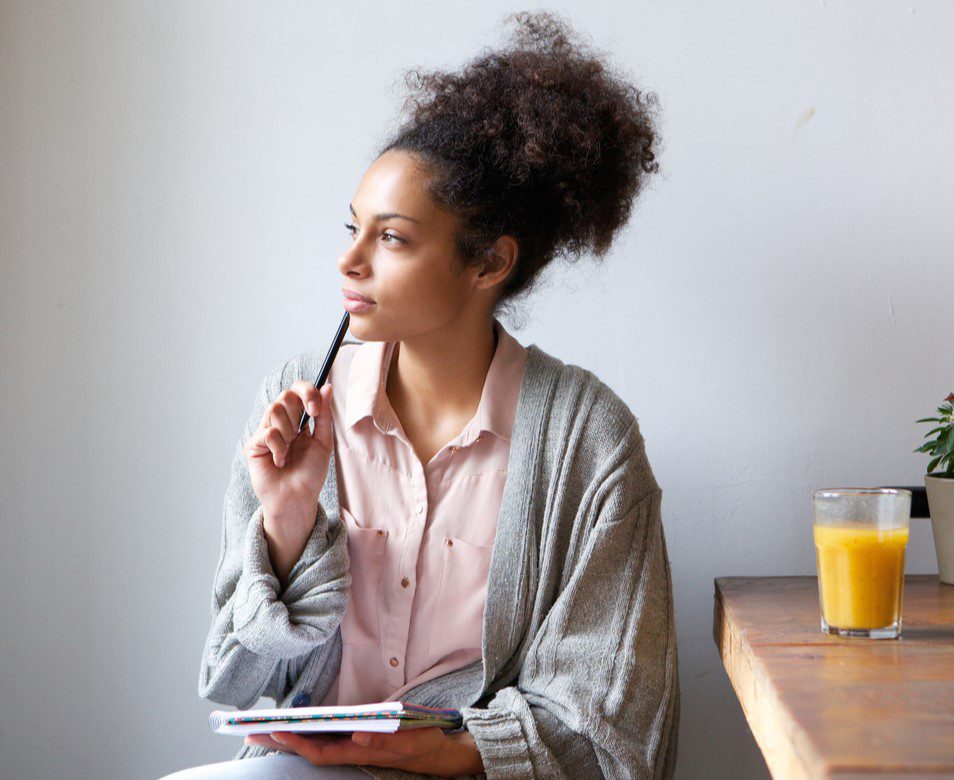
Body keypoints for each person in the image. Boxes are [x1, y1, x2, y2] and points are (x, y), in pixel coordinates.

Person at [161, 10, 678, 779]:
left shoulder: (589, 439)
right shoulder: (298, 404)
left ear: (488, 263)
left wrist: (451, 751)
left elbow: (612, 724)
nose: (350, 261)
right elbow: (237, 681)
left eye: (392, 238)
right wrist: (288, 522)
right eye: (353, 228)